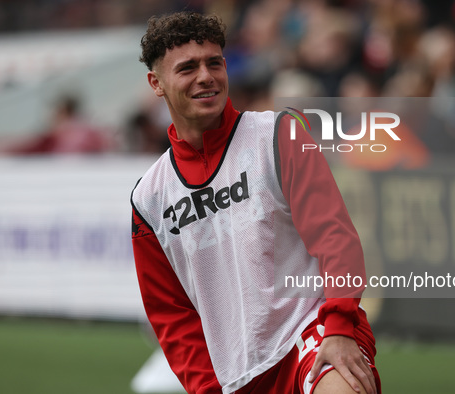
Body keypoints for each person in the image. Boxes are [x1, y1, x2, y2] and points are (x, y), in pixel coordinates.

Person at [130, 11, 381, 394]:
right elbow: (173, 315)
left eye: (214, 62)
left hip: (313, 334)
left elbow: (335, 237)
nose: (206, 76)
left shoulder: (278, 134)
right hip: (238, 376)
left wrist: (341, 326)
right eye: (187, 68)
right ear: (156, 83)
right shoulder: (148, 198)